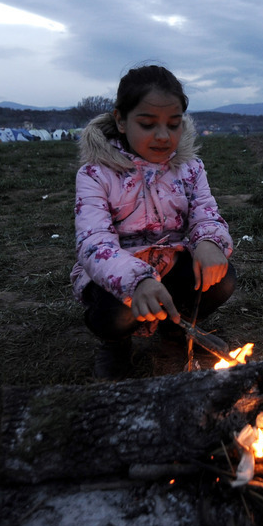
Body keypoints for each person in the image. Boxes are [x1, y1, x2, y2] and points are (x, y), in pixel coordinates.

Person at [71, 64, 236, 378]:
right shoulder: (96, 174)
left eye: (173, 125)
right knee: (118, 312)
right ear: (121, 120)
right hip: (118, 274)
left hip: (172, 263)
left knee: (221, 278)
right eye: (148, 124)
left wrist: (209, 242)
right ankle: (115, 343)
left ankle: (177, 330)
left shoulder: (190, 168)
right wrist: (139, 280)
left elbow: (206, 213)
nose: (163, 136)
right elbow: (94, 244)